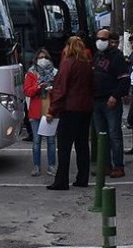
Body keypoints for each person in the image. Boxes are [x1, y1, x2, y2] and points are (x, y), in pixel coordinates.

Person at [46, 36, 94, 190]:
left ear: (68, 47)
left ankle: (61, 180)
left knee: (65, 146)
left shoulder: (67, 63)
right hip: (85, 109)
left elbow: (60, 89)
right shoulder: (86, 64)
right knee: (82, 145)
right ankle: (82, 178)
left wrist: (52, 110)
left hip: (69, 109)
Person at [91, 29, 129, 179]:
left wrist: (115, 96)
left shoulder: (117, 57)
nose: (100, 41)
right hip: (96, 100)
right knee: (102, 136)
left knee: (114, 135)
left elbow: (125, 80)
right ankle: (105, 165)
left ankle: (118, 166)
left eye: (103, 39)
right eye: (98, 38)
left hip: (110, 101)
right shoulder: (97, 55)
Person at [23, 48, 57, 176]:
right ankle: (36, 166)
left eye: (45, 57)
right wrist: (38, 87)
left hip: (50, 110)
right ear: (36, 60)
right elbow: (27, 91)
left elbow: (59, 91)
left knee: (51, 141)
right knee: (36, 141)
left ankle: (52, 166)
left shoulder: (55, 73)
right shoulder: (31, 73)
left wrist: (51, 89)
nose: (43, 60)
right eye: (40, 57)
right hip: (35, 111)